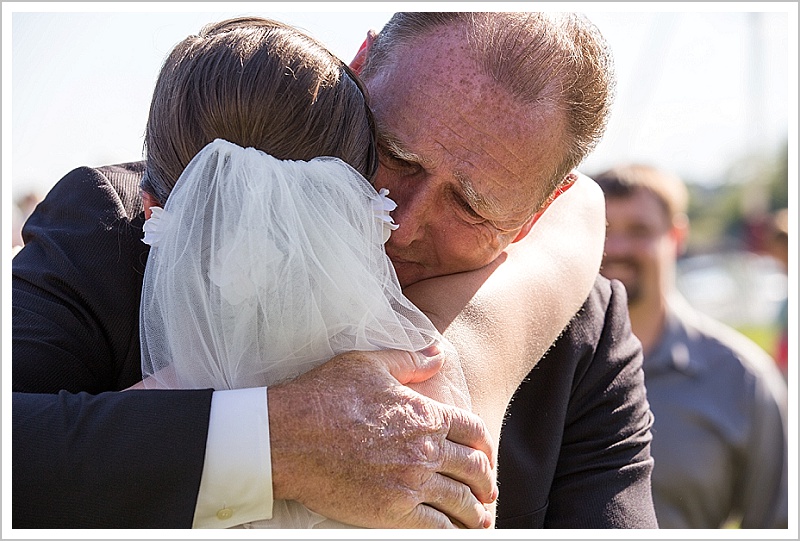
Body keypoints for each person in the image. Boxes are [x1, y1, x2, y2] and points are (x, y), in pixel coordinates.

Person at [12, 12, 657, 529]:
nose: (400, 220)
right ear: (358, 68)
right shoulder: (122, 225)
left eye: (470, 204)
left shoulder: (585, 337)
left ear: (537, 212)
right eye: (393, 153)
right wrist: (272, 441)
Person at [594, 163, 788, 529]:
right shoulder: (539, 366)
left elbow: (778, 523)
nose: (616, 247)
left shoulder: (742, 379)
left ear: (677, 236)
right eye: (602, 231)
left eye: (639, 231)